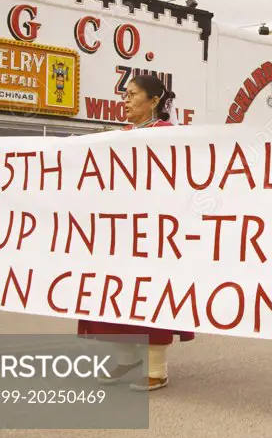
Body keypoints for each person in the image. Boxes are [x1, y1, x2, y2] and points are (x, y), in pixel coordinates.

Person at [77, 75, 195, 391]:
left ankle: (156, 368)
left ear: (155, 100)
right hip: (117, 232)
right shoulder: (117, 137)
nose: (125, 100)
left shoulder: (170, 136)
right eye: (124, 95)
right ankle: (126, 357)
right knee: (115, 294)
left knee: (150, 294)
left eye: (133, 94)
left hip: (154, 231)